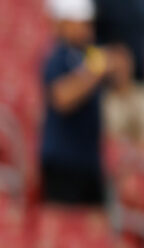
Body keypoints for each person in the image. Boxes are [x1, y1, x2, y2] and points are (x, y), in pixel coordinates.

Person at [39, 0, 129, 206]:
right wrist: (96, 71)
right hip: (62, 164)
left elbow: (121, 86)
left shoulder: (89, 54)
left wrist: (118, 64)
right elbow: (62, 97)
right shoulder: (56, 57)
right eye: (82, 23)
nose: (87, 28)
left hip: (90, 162)